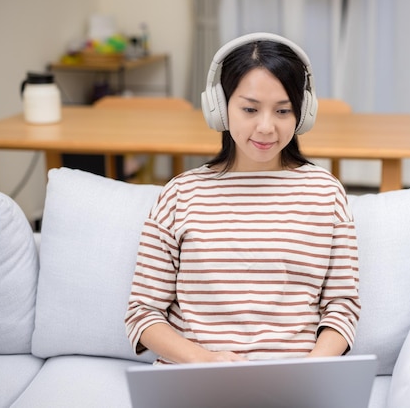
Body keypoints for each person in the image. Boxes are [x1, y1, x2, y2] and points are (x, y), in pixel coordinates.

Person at [124, 33, 360, 364]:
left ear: (302, 114)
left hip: (293, 386)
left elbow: (342, 307)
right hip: (197, 382)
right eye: (249, 108)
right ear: (219, 108)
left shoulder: (326, 192)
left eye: (283, 110)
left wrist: (309, 369)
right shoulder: (179, 195)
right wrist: (202, 359)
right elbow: (143, 312)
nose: (266, 127)